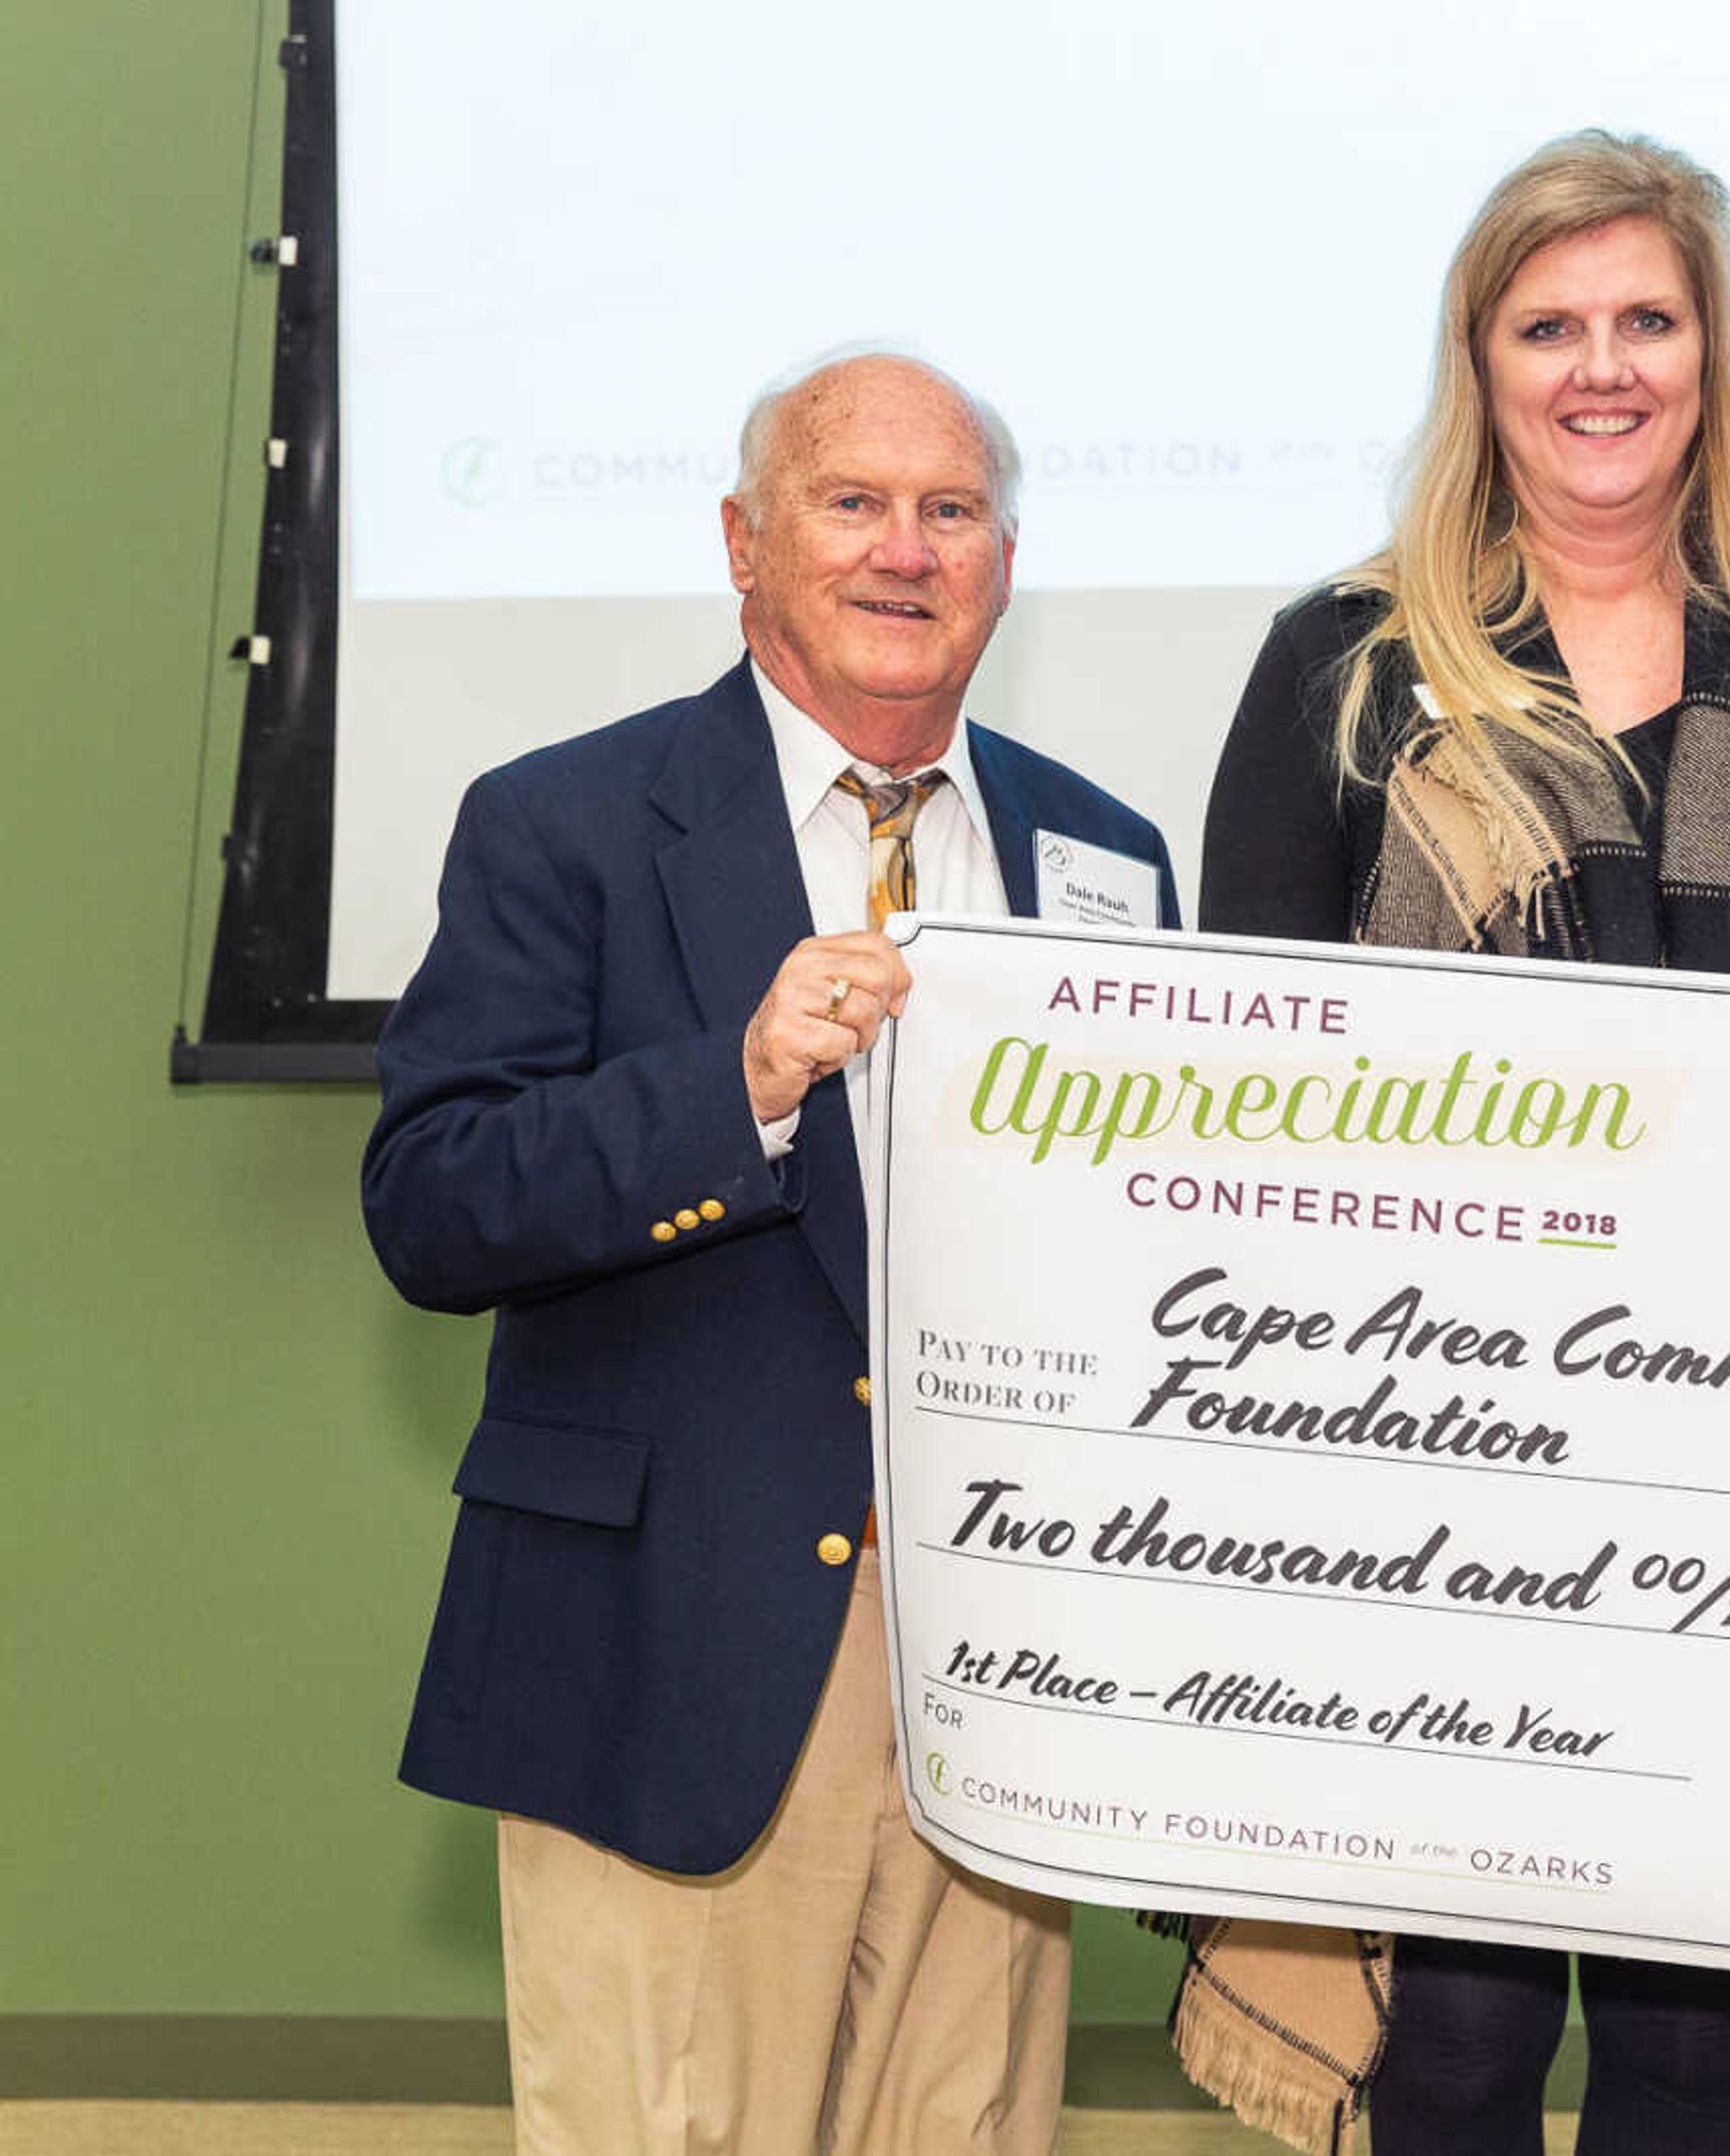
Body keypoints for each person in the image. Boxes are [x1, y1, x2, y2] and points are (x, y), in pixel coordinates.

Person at [1188, 130, 1730, 2155]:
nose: (1603, 368)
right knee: (1461, 2046)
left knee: (1695, 2052)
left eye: (1648, 321)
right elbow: (1232, 1078)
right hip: (1439, 1470)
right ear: (1482, 360)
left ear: (1710, 355)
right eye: (1551, 325)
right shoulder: (1341, 663)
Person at [362, 350, 1177, 2155]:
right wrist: (733, 1082)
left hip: (996, 1665)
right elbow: (432, 1201)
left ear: (1006, 562)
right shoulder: (563, 820)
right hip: (678, 1645)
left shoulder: (1104, 856)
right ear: (745, 543)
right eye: (854, 502)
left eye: (952, 510)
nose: (908, 550)